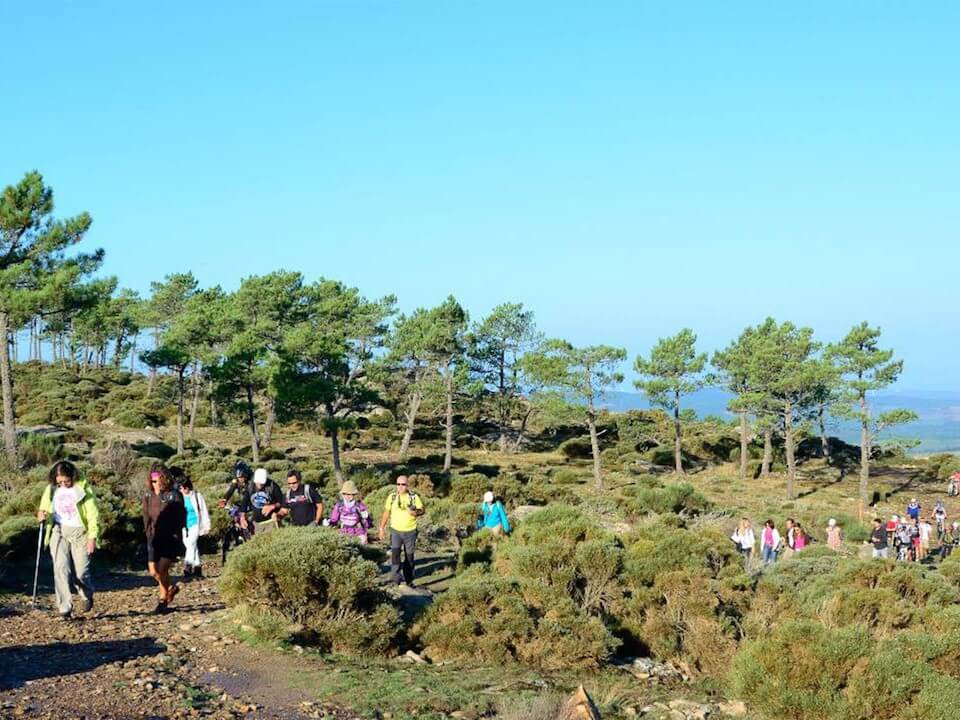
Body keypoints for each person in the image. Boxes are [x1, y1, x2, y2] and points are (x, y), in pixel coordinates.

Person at [36, 460, 100, 619]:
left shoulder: (83, 489)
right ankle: (64, 608)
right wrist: (42, 514)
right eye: (60, 482)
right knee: (61, 569)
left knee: (81, 572)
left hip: (80, 533)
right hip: (58, 531)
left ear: (73, 477)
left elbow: (93, 514)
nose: (63, 484)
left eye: (67, 481)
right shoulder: (51, 489)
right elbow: (43, 507)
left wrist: (92, 536)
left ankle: (86, 594)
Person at [143, 466, 187, 614]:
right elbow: (146, 517)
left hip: (169, 537)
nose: (155, 483)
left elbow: (181, 517)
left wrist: (177, 535)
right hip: (154, 537)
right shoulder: (148, 496)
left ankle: (163, 601)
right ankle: (170, 589)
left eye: (157, 480)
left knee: (162, 569)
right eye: (152, 481)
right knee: (153, 571)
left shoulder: (174, 495)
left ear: (164, 479)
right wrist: (148, 533)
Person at [378, 475, 425, 587]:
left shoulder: (414, 497)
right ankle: (395, 580)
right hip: (395, 531)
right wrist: (381, 528)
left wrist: (416, 513)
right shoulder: (392, 497)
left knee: (409, 556)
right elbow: (386, 512)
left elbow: (422, 509)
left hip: (410, 531)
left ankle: (409, 580)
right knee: (395, 555)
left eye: (403, 484)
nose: (400, 486)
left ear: (407, 485)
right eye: (398, 484)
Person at [178, 478, 211, 578]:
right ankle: (197, 568)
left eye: (183, 488)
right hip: (184, 525)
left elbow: (203, 510)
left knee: (191, 543)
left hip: (196, 523)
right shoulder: (180, 497)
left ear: (187, 487)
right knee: (190, 545)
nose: (182, 490)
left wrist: (207, 524)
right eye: (180, 488)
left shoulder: (196, 496)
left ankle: (187, 566)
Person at [247, 468, 284, 533]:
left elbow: (282, 502)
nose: (260, 485)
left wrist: (273, 506)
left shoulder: (273, 486)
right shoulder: (250, 486)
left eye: (262, 483)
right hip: (257, 525)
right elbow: (245, 502)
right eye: (258, 483)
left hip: (271, 522)